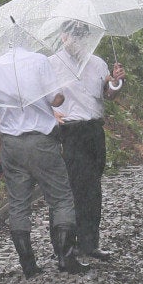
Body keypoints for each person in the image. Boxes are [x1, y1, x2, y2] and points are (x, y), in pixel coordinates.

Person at [0, 45, 88, 278]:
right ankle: (65, 257)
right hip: (41, 140)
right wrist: (61, 88)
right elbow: (57, 99)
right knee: (61, 198)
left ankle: (28, 264)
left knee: (18, 204)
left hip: (11, 142)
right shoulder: (39, 61)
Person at [51, 25, 125, 261]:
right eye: (69, 37)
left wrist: (116, 82)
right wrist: (51, 114)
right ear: (62, 37)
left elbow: (109, 94)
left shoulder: (98, 63)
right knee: (70, 188)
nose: (73, 42)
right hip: (68, 130)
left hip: (93, 129)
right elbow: (42, 97)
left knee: (92, 187)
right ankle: (65, 245)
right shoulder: (52, 64)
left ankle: (89, 242)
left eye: (79, 38)